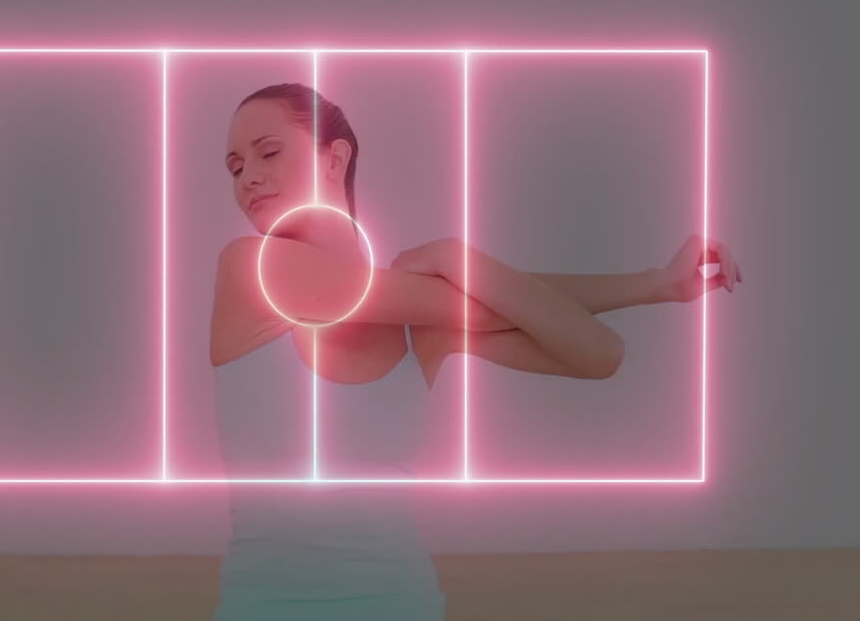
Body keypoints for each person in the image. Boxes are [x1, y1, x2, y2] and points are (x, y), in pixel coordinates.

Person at [208, 83, 743, 620]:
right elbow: (506, 305)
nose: (247, 177)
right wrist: (460, 265)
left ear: (336, 157)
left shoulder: (420, 321)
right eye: (234, 166)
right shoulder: (251, 269)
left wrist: (455, 256)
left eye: (268, 152)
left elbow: (598, 353)